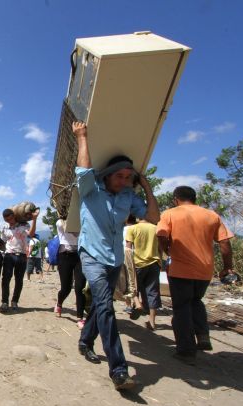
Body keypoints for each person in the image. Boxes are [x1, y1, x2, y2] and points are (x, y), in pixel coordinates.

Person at [72, 121, 159, 391]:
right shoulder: (91, 190)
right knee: (106, 307)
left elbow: (154, 217)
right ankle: (119, 370)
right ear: (107, 174)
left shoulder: (128, 198)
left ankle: (86, 342)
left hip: (114, 259)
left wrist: (145, 186)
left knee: (102, 305)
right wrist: (82, 136)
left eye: (128, 177)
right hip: (92, 256)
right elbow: (83, 169)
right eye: (119, 176)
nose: (124, 181)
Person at [156, 186, 235, 365]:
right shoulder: (211, 215)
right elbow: (224, 244)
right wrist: (228, 267)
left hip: (180, 269)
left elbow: (161, 235)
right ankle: (203, 335)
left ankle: (186, 350)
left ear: (176, 199)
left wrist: (166, 251)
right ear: (194, 198)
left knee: (182, 307)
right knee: (196, 301)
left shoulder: (170, 214)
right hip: (205, 270)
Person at [0, 207, 39, 312]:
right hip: (8, 255)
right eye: (7, 220)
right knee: (5, 279)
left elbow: (31, 234)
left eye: (11, 219)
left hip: (21, 256)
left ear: (14, 216)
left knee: (19, 280)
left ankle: (15, 302)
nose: (9, 221)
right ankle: (4, 303)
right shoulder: (4, 227)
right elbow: (2, 242)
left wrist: (34, 219)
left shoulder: (24, 225)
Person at [126, 217, 162, 331]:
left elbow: (128, 248)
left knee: (132, 286)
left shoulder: (132, 228)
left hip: (138, 264)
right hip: (154, 264)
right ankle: (152, 322)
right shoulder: (156, 228)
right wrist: (160, 262)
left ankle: (137, 303)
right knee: (153, 292)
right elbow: (160, 248)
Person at [54, 217, 87, 329]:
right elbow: (74, 233)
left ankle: (80, 317)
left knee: (79, 287)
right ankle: (59, 303)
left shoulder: (83, 218)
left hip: (80, 256)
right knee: (66, 288)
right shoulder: (60, 222)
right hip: (65, 256)